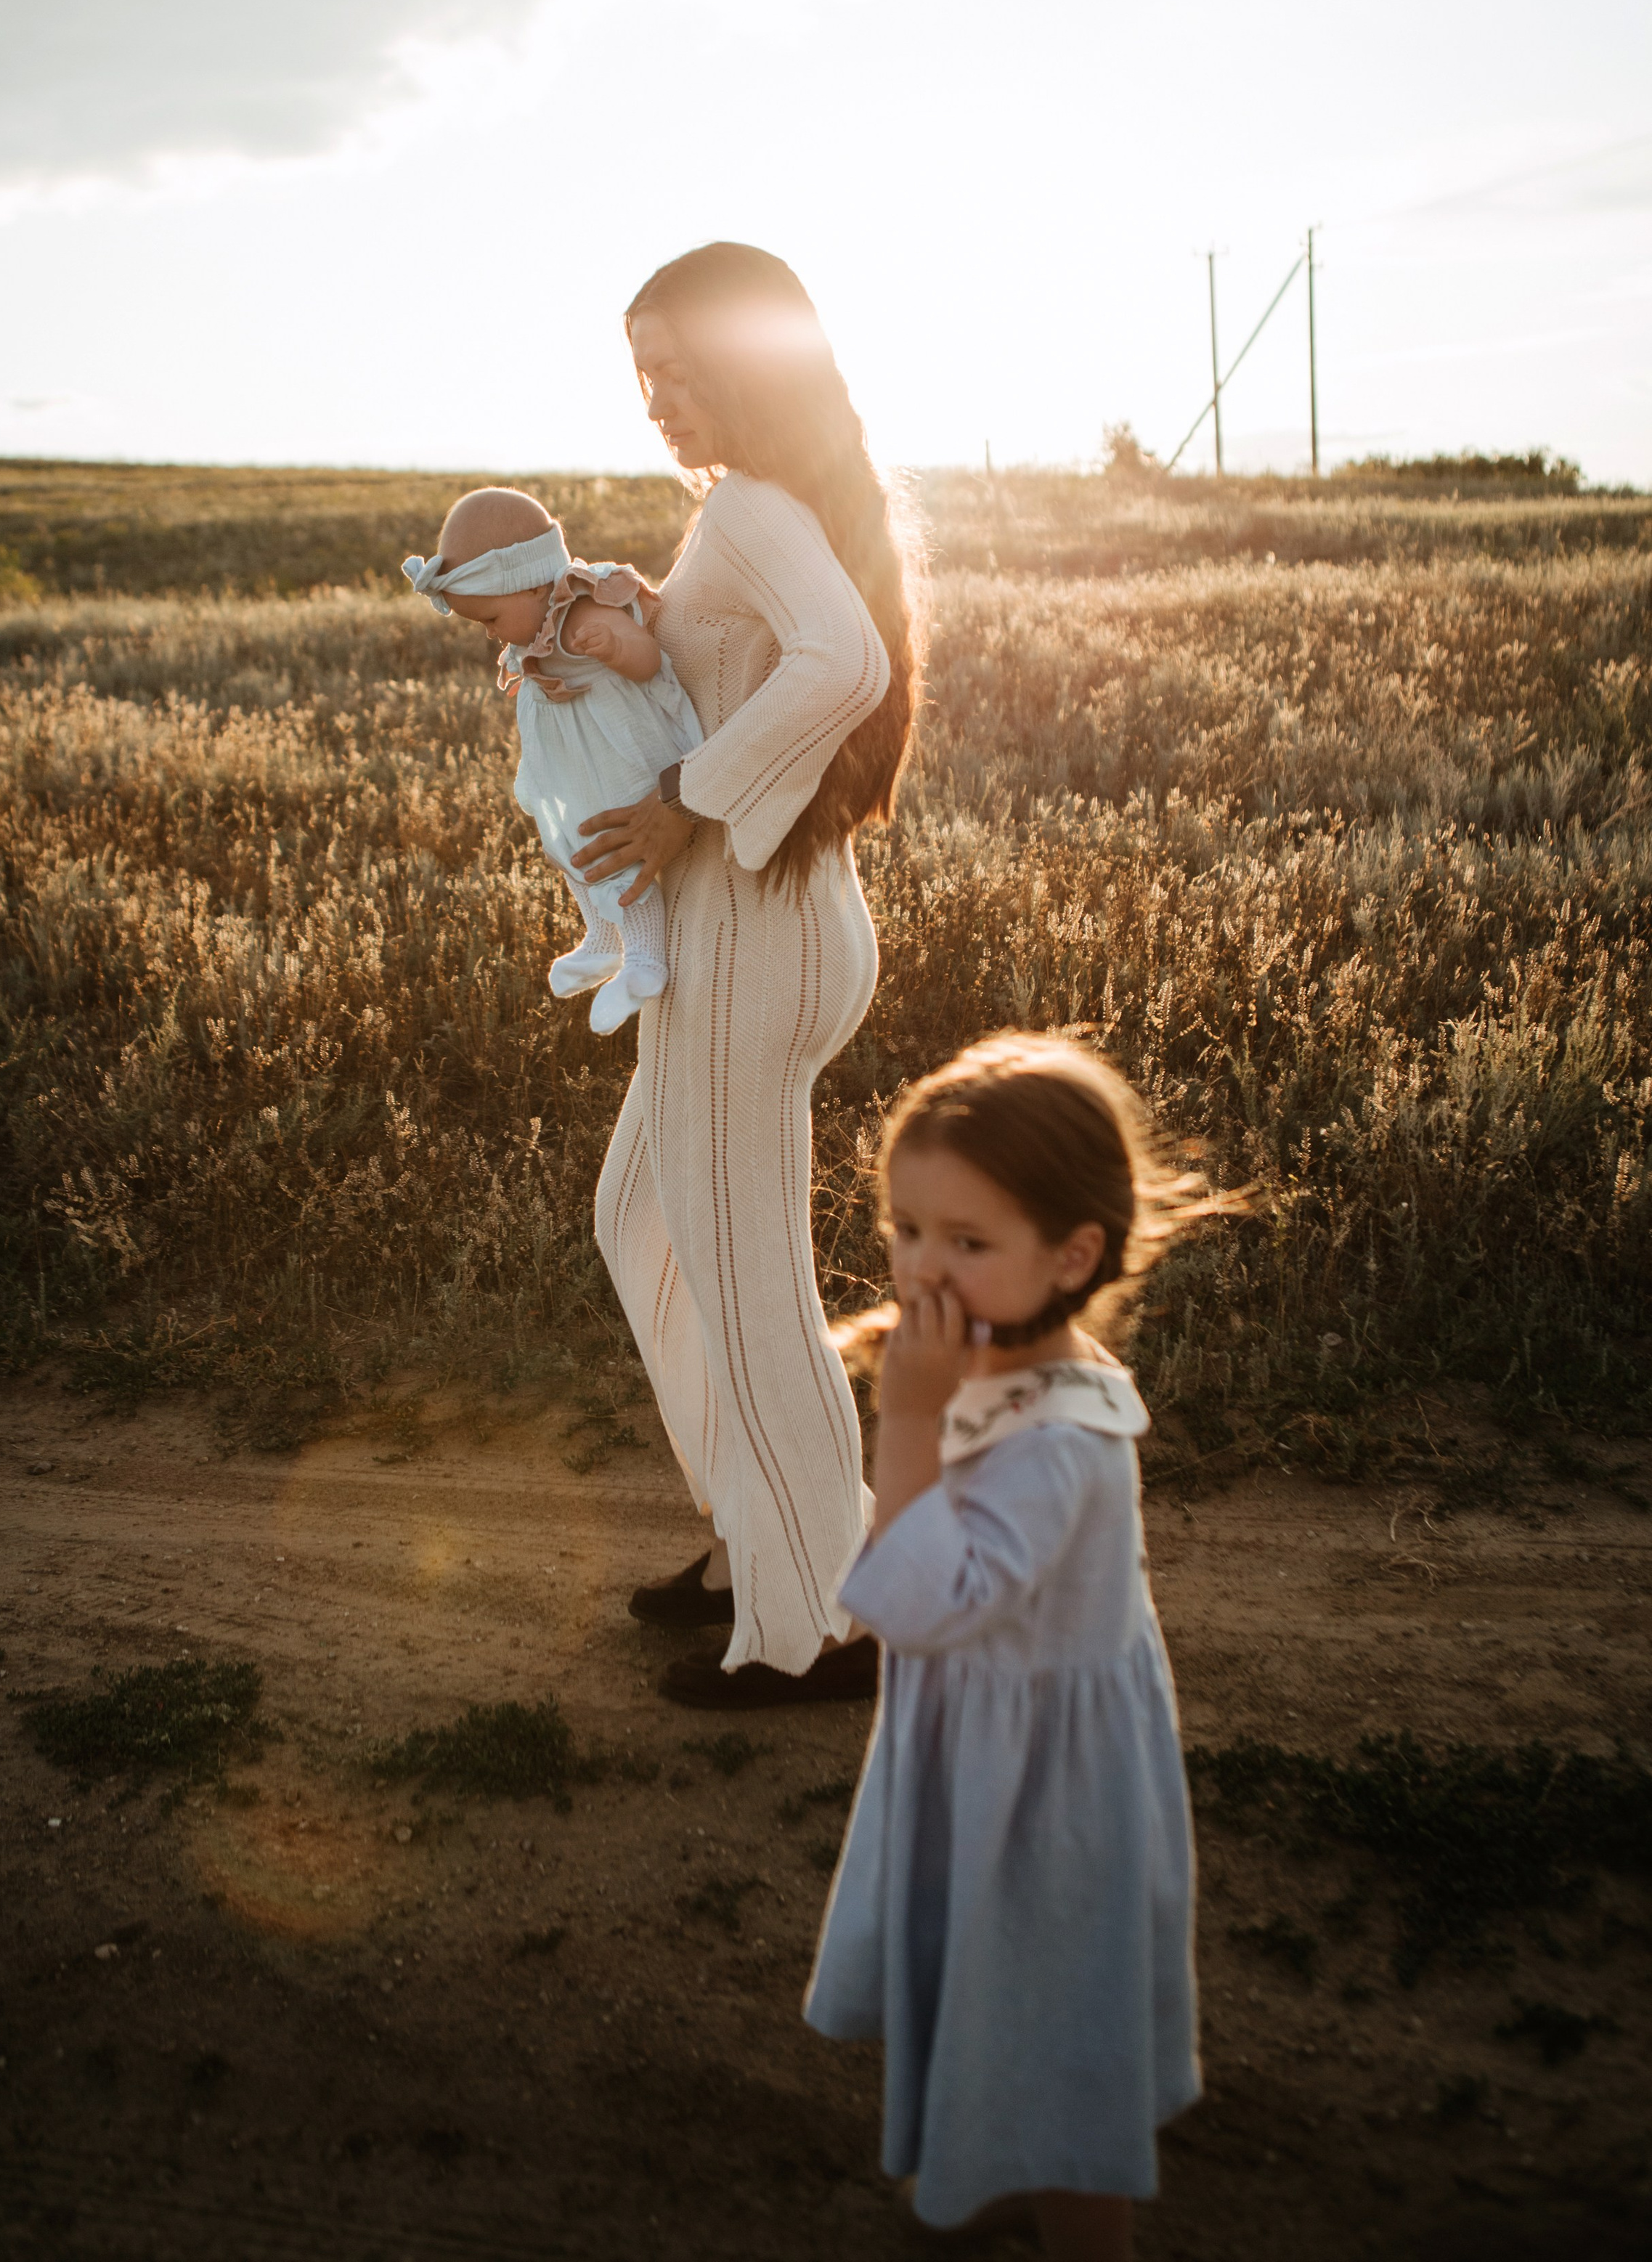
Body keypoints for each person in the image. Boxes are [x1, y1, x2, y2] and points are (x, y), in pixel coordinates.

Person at [804, 1033, 1237, 2259]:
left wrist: (907, 1418)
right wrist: (933, 1391)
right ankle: (998, 2169)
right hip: (987, 1753)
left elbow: (921, 1601)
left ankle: (1072, 2215)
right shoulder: (1011, 1356)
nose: (921, 1269)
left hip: (1047, 1800)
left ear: (1072, 1255)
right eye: (906, 1230)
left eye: (967, 1242)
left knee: (1055, 2043)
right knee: (996, 2000)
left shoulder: (1061, 1445)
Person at [575, 243, 922, 1709]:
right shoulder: (752, 505)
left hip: (750, 936)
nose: (655, 397)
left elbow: (842, 666)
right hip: (755, 929)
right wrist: (624, 618)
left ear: (743, 364)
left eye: (676, 368)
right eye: (640, 373)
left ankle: (816, 1623)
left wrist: (687, 802)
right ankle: (760, 1531)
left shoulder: (761, 505)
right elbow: (739, 659)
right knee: (641, 1219)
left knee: (743, 1274)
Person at [404, 487, 704, 1035]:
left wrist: (615, 648)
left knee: (617, 845)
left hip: (619, 751)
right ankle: (602, 939)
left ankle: (645, 960)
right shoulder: (532, 622)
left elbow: (648, 660)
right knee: (568, 841)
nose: (491, 633)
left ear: (532, 583)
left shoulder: (583, 607)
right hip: (573, 759)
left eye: (491, 617)